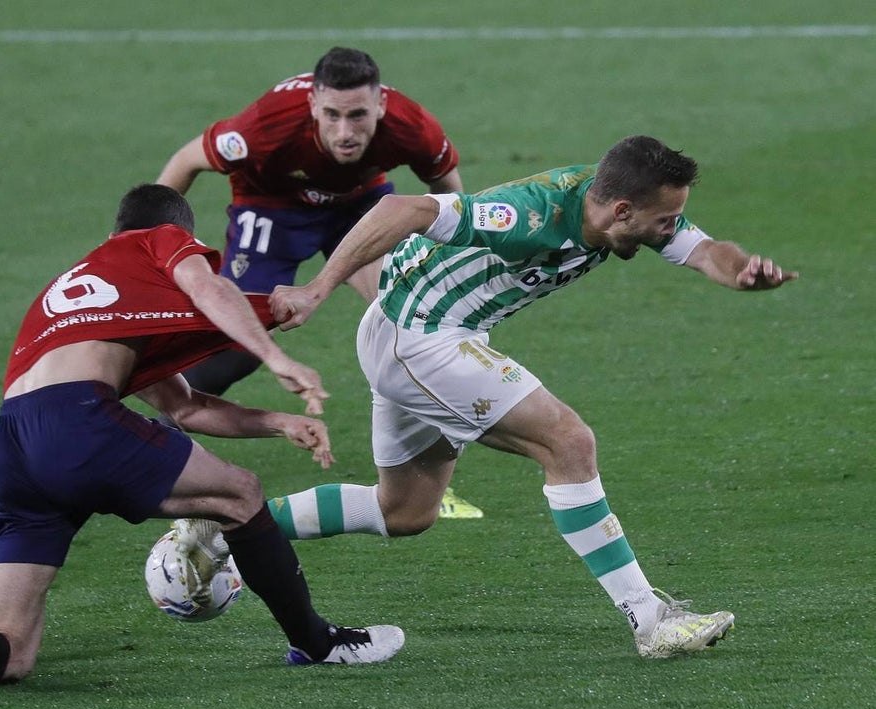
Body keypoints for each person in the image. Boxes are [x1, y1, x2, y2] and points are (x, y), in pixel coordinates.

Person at [0, 184, 405, 702]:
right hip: (76, 422)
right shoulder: (159, 239)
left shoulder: (76, 292)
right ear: (173, 232)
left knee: (11, 653)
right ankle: (317, 643)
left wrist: (277, 422)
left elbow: (184, 406)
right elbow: (211, 289)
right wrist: (275, 357)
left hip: (12, 442)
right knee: (240, 495)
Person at [261, 135, 798, 657]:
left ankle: (233, 525)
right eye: (663, 220)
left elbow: (705, 250)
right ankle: (650, 618)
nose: (670, 229)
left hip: (414, 332)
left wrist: (742, 270)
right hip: (422, 338)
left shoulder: (616, 202)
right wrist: (317, 289)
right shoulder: (526, 215)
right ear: (623, 210)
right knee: (568, 443)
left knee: (404, 510)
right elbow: (401, 210)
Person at [157, 46, 482, 520]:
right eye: (331, 115)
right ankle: (153, 429)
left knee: (412, 324)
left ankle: (421, 486)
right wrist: (145, 244)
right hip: (270, 205)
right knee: (237, 344)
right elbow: (186, 162)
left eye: (358, 116)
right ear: (313, 105)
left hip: (359, 206)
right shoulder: (265, 126)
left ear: (381, 106)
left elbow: (450, 196)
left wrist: (441, 274)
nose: (345, 132)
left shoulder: (413, 127)